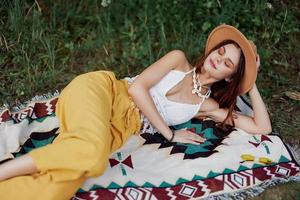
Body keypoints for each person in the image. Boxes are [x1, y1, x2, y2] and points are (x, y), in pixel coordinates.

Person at [0, 24, 271, 199]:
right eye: (220, 51)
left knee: (64, 183)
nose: (218, 58)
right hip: (104, 93)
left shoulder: (206, 106)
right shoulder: (178, 60)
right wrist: (169, 134)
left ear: (229, 77)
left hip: (119, 128)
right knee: (91, 152)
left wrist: (252, 82)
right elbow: (137, 89)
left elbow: (261, 128)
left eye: (227, 63)